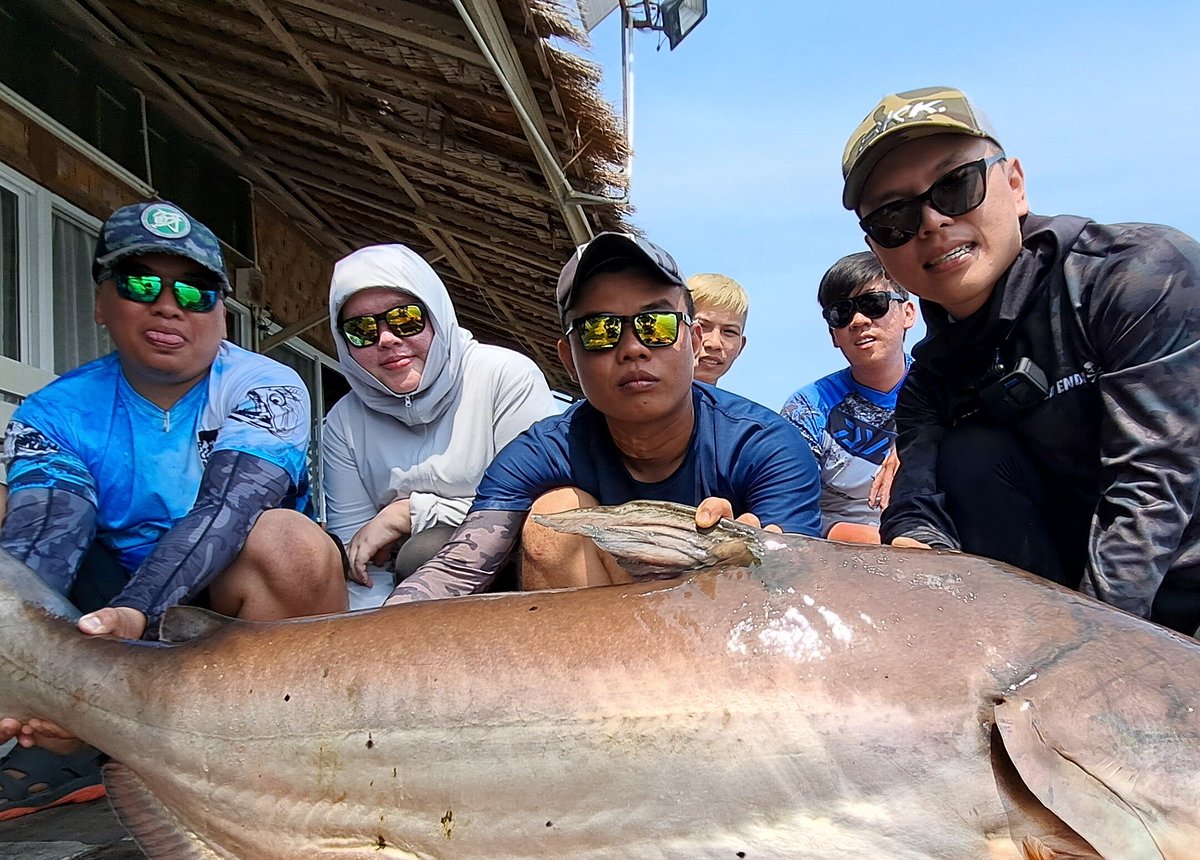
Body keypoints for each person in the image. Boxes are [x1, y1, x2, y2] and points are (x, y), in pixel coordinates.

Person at [0, 199, 346, 819]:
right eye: (139, 283)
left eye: (196, 289)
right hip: (97, 610)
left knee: (288, 541)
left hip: (217, 604)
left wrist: (136, 615)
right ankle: (67, 728)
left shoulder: (266, 385)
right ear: (102, 304)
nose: (168, 304)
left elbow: (227, 509)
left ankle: (273, 748)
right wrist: (21, 660)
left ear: (222, 312)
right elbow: (46, 537)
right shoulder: (55, 410)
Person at [842, 86, 1200, 633]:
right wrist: (921, 558)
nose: (933, 222)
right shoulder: (929, 381)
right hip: (1073, 605)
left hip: (1168, 588)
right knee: (968, 454)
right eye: (895, 217)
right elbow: (916, 501)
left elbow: (1152, 484)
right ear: (880, 251)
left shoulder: (1136, 275)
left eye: (956, 186)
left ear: (1014, 184)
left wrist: (1093, 655)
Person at [385, 232, 821, 602]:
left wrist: (760, 560)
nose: (633, 347)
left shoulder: (767, 446)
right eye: (600, 330)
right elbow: (460, 568)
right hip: (599, 652)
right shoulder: (544, 449)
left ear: (691, 340)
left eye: (656, 324)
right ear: (569, 361)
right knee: (551, 516)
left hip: (722, 639)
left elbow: (801, 590)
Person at [322, 244, 563, 608]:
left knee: (423, 551)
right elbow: (360, 559)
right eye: (361, 330)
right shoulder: (343, 422)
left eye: (406, 319)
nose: (387, 339)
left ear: (437, 315)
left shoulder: (504, 377)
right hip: (401, 601)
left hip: (510, 580)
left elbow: (540, 508)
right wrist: (372, 641)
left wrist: (411, 513)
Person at [781, 251, 915, 543]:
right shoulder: (807, 408)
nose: (857, 321)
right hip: (841, 560)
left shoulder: (950, 389)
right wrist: (874, 540)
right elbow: (788, 510)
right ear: (832, 334)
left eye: (873, 304)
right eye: (841, 313)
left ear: (908, 313)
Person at [687, 273, 748, 387]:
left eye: (729, 332)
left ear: (741, 346)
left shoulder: (740, 405)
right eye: (702, 326)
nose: (714, 343)